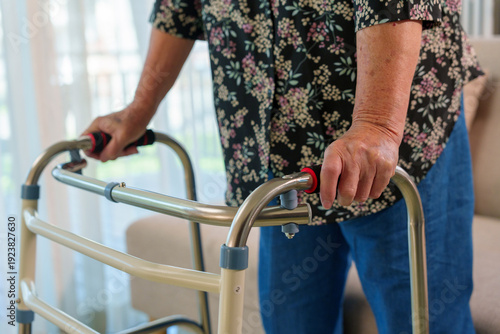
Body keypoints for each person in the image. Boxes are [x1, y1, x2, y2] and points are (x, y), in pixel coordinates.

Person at [83, 1, 482, 333]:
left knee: (425, 323)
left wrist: (377, 124)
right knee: (291, 323)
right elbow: (179, 8)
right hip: (283, 158)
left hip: (398, 144)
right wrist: (138, 110)